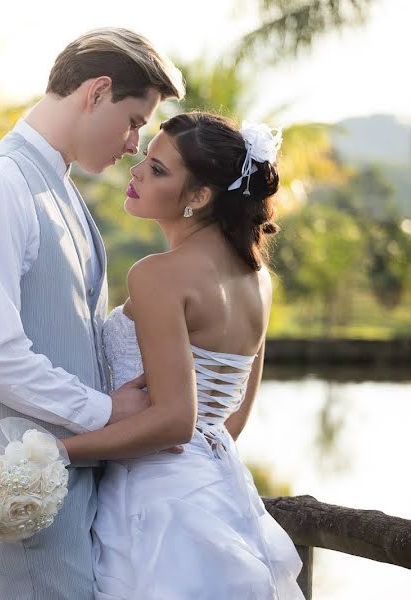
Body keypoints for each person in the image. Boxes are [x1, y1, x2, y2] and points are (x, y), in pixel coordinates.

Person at [0, 27, 184, 598]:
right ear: (96, 92)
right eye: (133, 121)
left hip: (69, 489)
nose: (133, 144)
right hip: (18, 493)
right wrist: (106, 411)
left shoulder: (61, 189)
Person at [61, 112, 305, 599]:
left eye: (157, 169)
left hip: (155, 504)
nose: (135, 171)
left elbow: (175, 421)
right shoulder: (258, 280)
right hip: (220, 490)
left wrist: (56, 453)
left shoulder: (157, 276)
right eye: (145, 160)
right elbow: (228, 421)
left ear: (199, 197)